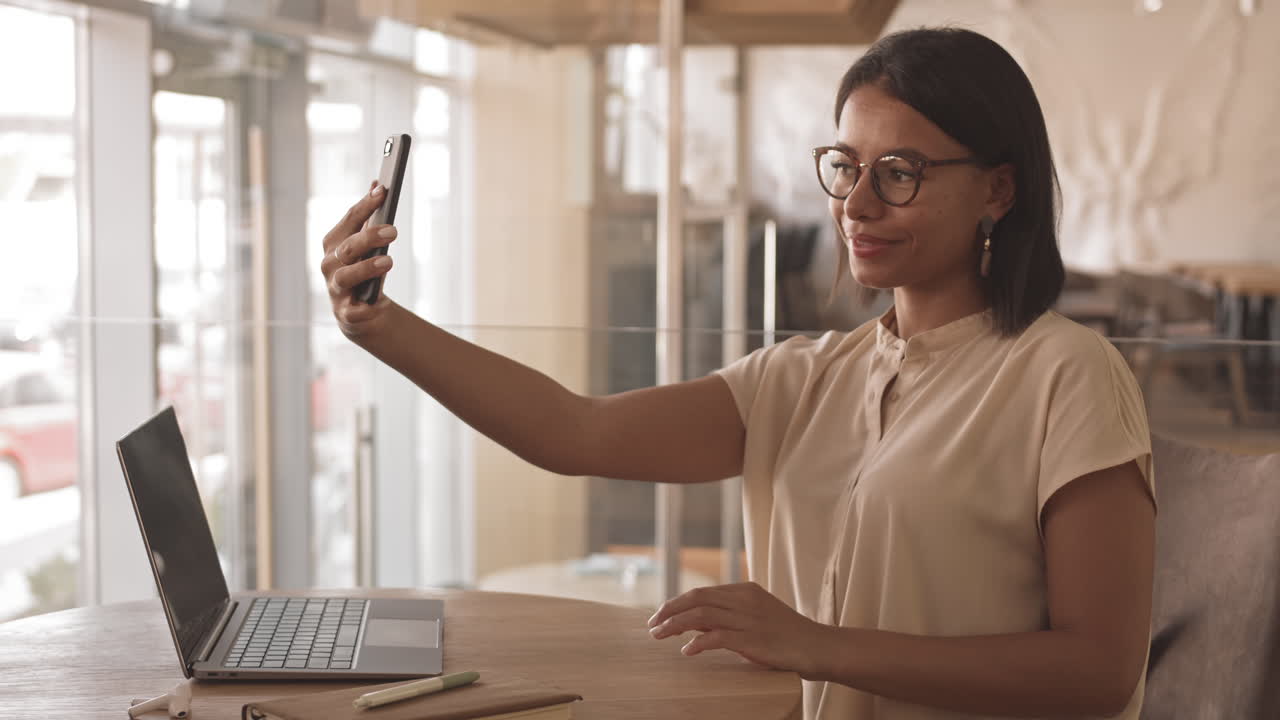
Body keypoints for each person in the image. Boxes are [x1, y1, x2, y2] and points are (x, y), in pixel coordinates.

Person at [319, 27, 1156, 720]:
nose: (857, 204)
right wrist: (381, 327)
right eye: (845, 166)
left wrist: (814, 643)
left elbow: (1097, 672)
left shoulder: (1068, 377)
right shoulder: (801, 379)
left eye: (900, 174)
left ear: (998, 191)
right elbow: (573, 432)